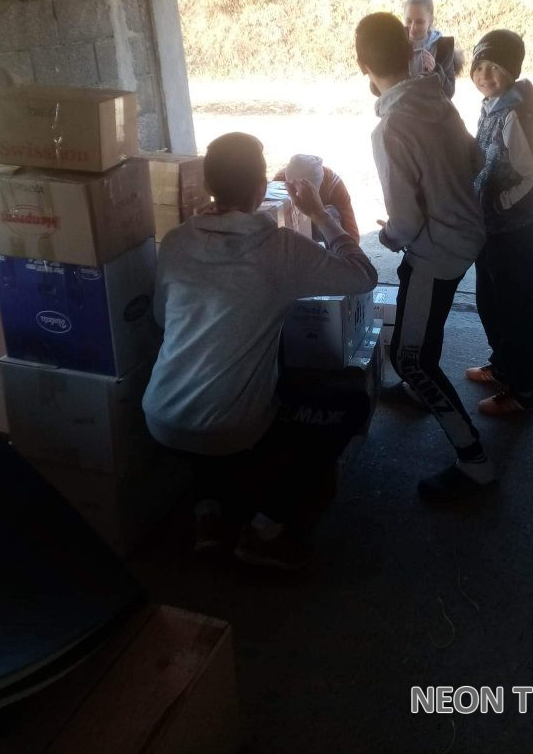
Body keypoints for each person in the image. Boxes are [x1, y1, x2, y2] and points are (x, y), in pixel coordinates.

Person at [142, 132, 377, 569]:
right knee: (352, 405)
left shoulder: (175, 241)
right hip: (233, 428)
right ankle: (266, 529)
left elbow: (161, 317)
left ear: (209, 186)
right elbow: (363, 276)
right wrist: (320, 214)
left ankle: (208, 511)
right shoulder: (280, 248)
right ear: (261, 188)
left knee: (216, 378)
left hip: (161, 417)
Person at [355, 12, 493, 504]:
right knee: (424, 333)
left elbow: (407, 223)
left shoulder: (389, 128)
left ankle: (475, 462)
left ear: (363, 65)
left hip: (436, 251)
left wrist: (389, 236)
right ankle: (417, 394)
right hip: (467, 235)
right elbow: (476, 159)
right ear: (409, 51)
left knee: (410, 358)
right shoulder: (437, 97)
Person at [466, 29, 533, 416]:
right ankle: (502, 366)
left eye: (495, 67)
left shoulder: (515, 114)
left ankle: (522, 390)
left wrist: (501, 204)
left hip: (513, 234)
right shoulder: (491, 106)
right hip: (489, 230)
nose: (485, 75)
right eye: (479, 66)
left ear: (512, 71)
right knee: (490, 300)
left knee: (515, 310)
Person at [273, 154, 360, 243]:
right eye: (293, 190)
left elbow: (352, 236)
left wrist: (321, 216)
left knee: (332, 212)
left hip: (321, 223)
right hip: (296, 229)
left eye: (305, 193)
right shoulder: (279, 182)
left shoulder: (334, 186)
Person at [404, 0, 457, 97]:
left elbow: (449, 92)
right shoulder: (395, 44)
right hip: (401, 107)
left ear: (431, 21)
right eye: (409, 21)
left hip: (431, 107)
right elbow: (376, 89)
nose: (413, 28)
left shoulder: (443, 48)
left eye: (419, 22)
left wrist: (436, 71)